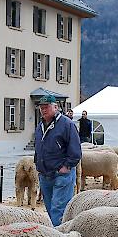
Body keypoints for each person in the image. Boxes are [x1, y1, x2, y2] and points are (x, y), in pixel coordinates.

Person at [34, 95, 82, 226]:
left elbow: (75, 149)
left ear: (56, 107)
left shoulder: (67, 124)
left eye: (47, 107)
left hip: (61, 174)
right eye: (41, 108)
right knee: (50, 208)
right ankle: (60, 234)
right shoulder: (40, 126)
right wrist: (37, 163)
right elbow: (38, 146)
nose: (44, 110)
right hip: (45, 174)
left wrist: (66, 166)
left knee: (58, 210)